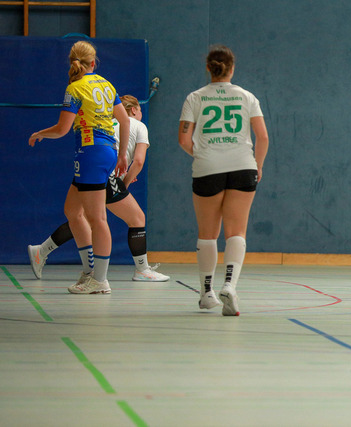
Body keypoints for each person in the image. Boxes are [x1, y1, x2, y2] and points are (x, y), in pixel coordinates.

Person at [28, 95, 170, 283]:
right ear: (135, 109)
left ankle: (41, 251)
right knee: (137, 218)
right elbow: (138, 161)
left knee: (81, 219)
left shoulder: (107, 124)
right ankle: (142, 269)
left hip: (89, 168)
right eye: (140, 110)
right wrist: (125, 183)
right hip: (106, 175)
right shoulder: (139, 125)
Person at [28, 40, 130, 294]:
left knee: (97, 218)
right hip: (106, 152)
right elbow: (125, 121)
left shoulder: (74, 88)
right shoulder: (106, 84)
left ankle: (100, 280)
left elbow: (62, 129)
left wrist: (40, 133)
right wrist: (121, 155)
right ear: (94, 62)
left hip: (91, 153)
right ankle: (89, 272)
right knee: (73, 211)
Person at [178, 44, 268, 316]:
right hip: (243, 166)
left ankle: (206, 293)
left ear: (209, 68)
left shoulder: (195, 98)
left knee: (207, 233)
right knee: (236, 231)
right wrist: (258, 165)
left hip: (208, 168)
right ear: (232, 69)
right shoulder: (247, 97)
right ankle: (229, 285)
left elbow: (183, 139)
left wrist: (204, 155)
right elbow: (262, 137)